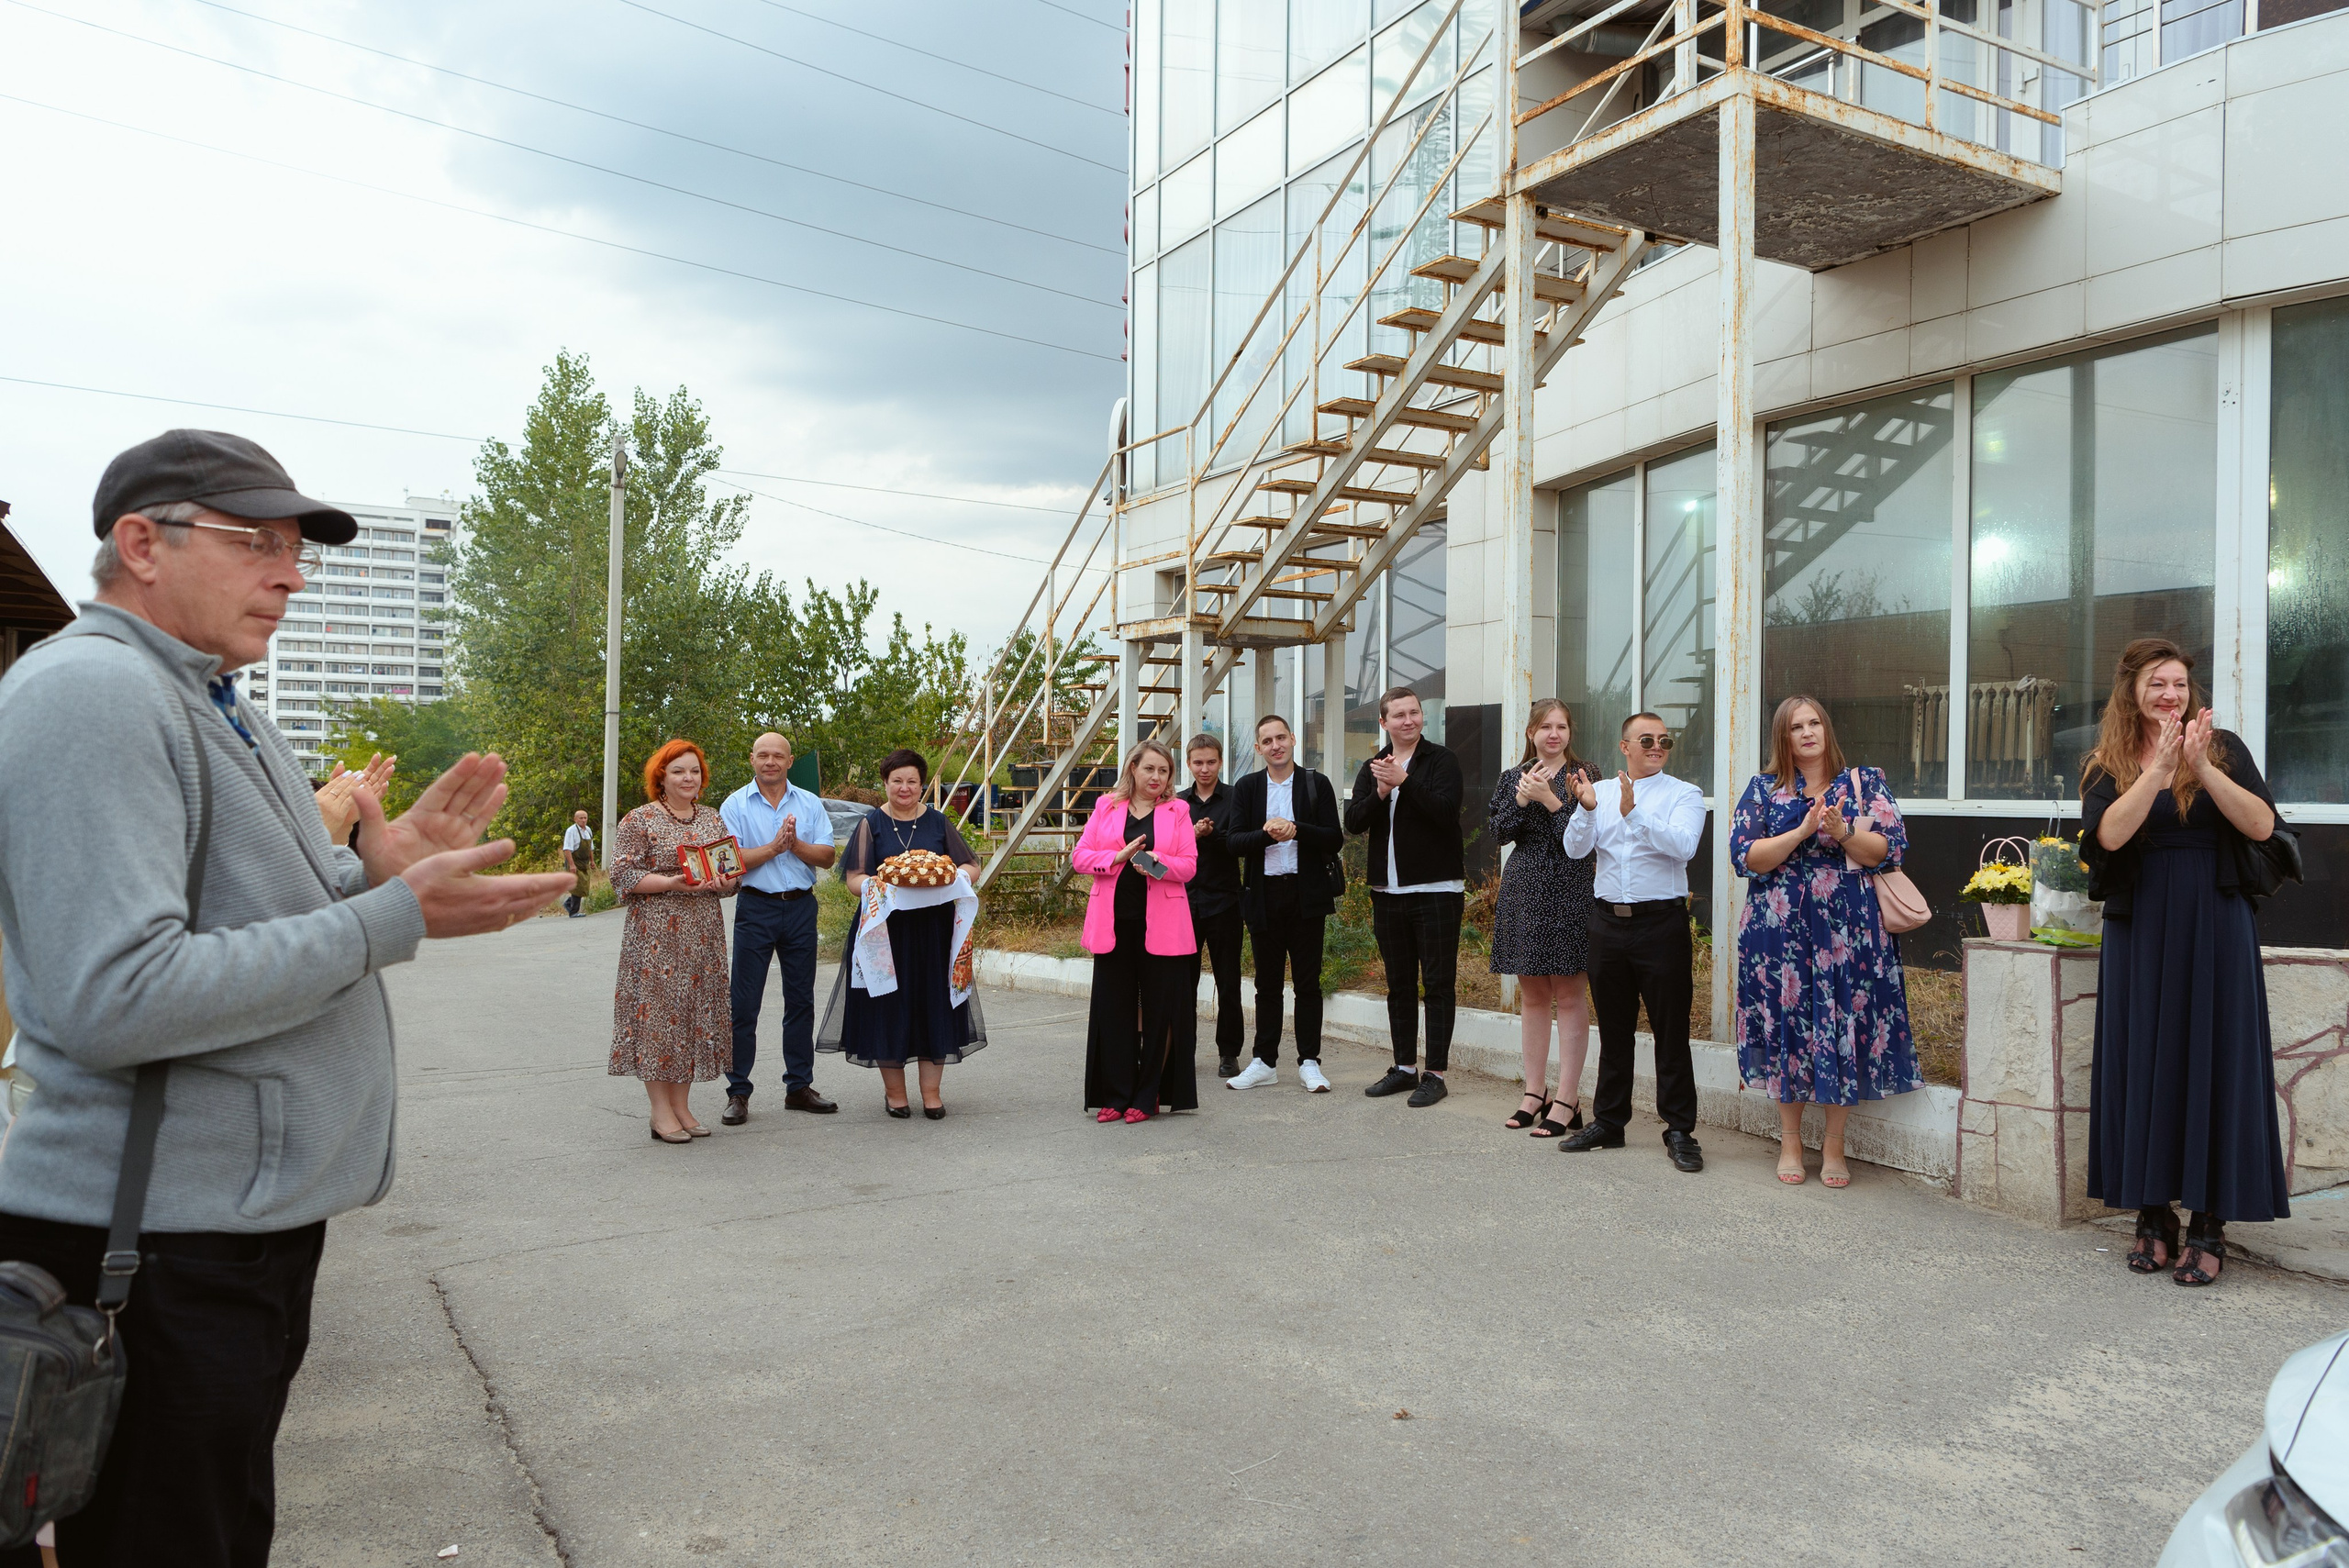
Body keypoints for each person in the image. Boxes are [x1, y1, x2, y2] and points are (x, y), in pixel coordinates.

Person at [0, 428, 570, 1568]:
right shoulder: (95, 694)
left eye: (296, 547)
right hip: (152, 1245)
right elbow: (118, 994)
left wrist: (372, 867)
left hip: (218, 1229)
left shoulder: (207, 694)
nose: (293, 572)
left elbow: (234, 916)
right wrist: (387, 918)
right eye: (256, 542)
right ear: (139, 544)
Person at [2081, 637, 2288, 1287]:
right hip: (2142, 927)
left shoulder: (2221, 746)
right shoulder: (2105, 762)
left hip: (2215, 924)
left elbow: (2261, 826)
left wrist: (2203, 765)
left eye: (2179, 684)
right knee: (2147, 1062)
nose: (2170, 694)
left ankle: (2208, 1221)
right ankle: (2153, 1213)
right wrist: (2158, 770)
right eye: (2157, 683)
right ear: (2132, 689)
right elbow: (2109, 837)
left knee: (2214, 1062)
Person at [1730, 696, 1923, 1188]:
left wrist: (1842, 833)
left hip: (1849, 927)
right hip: (1779, 932)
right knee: (1787, 1025)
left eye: (1815, 722)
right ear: (1784, 736)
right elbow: (1747, 856)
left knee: (1845, 1022)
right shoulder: (1762, 790)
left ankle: (1834, 1146)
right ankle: (1791, 1140)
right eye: (1797, 726)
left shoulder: (1863, 783)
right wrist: (1802, 831)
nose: (1808, 732)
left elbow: (1888, 848)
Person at [1557, 713, 1709, 1173]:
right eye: (1646, 739)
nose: (1657, 746)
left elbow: (1684, 847)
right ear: (1625, 746)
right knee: (1615, 1029)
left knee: (1670, 1030)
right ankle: (1610, 1122)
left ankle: (1680, 1129)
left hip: (1660, 923)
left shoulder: (1685, 794)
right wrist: (1584, 809)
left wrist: (1635, 815)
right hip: (1607, 922)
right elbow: (1574, 849)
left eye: (1665, 740)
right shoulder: (1598, 793)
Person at [820, 749, 986, 1118]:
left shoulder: (938, 822)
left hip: (935, 934)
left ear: (922, 785)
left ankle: (931, 1093)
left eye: (912, 781)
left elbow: (969, 865)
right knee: (888, 1008)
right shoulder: (871, 824)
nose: (905, 788)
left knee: (934, 1007)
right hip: (885, 933)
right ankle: (895, 1094)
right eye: (897, 781)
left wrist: (959, 879)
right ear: (886, 783)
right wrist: (881, 888)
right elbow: (854, 878)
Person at [608, 740, 740, 1142]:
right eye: (679, 771)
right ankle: (659, 1111)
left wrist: (725, 881)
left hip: (704, 933)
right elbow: (622, 876)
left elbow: (731, 878)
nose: (688, 778)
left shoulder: (713, 818)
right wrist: (670, 883)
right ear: (661, 777)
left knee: (691, 1016)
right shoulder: (640, 819)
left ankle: (681, 1106)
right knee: (659, 1019)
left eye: (695, 771)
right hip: (656, 935)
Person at [1345, 687, 1466, 1107]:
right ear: (1384, 722)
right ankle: (1403, 1067)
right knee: (1399, 985)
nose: (1408, 720)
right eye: (1398, 715)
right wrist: (1381, 792)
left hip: (1435, 890)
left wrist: (1405, 783)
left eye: (1414, 712)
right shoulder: (1373, 767)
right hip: (1388, 892)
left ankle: (1435, 1073)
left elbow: (1446, 812)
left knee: (1437, 984)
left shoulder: (1442, 760)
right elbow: (1354, 822)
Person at [1487, 699, 1598, 1139]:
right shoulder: (1513, 775)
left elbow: (1586, 837)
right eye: (1545, 726)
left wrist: (1551, 800)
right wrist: (1519, 797)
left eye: (1562, 726)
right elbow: (1498, 833)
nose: (1554, 734)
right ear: (1531, 731)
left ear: (1570, 732)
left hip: (1570, 884)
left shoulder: (1586, 774)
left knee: (1569, 993)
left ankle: (1568, 1099)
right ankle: (1535, 1093)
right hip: (1525, 884)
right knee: (1532, 994)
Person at [718, 731, 840, 1124]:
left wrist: (794, 845)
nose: (770, 762)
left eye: (778, 756)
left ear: (789, 761)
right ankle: (738, 1092)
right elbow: (729, 862)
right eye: (763, 755)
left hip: (801, 908)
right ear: (751, 760)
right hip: (756, 908)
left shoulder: (809, 802)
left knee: (801, 1001)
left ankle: (799, 1087)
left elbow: (826, 856)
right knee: (744, 1004)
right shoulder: (734, 804)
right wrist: (773, 847)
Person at [1076, 740, 1199, 1122]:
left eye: (1164, 772)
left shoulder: (1178, 810)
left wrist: (1156, 861)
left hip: (1163, 927)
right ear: (1133, 768)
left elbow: (1189, 866)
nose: (1157, 778)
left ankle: (1148, 1095)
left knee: (1161, 1013)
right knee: (1114, 1012)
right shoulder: (1105, 806)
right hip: (1114, 925)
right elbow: (1081, 856)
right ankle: (1115, 1095)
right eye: (1150, 769)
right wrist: (1117, 857)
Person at [1225, 714, 1342, 1094]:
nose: (1275, 745)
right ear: (1258, 748)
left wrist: (1297, 830)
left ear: (1293, 739)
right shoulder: (1247, 787)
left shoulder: (1315, 783)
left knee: (1307, 983)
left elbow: (1334, 838)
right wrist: (1266, 835)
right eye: (1267, 741)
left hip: (1306, 895)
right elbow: (1234, 842)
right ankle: (1264, 1061)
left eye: (1281, 737)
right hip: (1263, 895)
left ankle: (1310, 1062)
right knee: (1267, 984)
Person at [1178, 733, 1247, 1079]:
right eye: (1197, 762)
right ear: (1188, 764)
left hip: (1224, 902)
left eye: (1211, 762)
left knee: (1229, 981)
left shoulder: (1236, 797)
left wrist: (1212, 834)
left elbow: (1242, 845)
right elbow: (1167, 849)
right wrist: (1191, 834)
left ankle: (1229, 1053)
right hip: (1183, 905)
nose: (1204, 769)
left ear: (1221, 762)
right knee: (1183, 983)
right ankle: (1182, 1052)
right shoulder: (1175, 803)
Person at [562, 807, 595, 917]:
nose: (583, 820)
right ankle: (573, 912)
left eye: (585, 818)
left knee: (583, 885)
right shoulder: (571, 831)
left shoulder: (588, 830)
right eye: (581, 818)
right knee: (577, 886)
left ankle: (568, 903)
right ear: (575, 819)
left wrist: (592, 861)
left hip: (584, 862)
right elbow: (567, 849)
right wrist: (571, 865)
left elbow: (590, 847)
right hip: (574, 861)